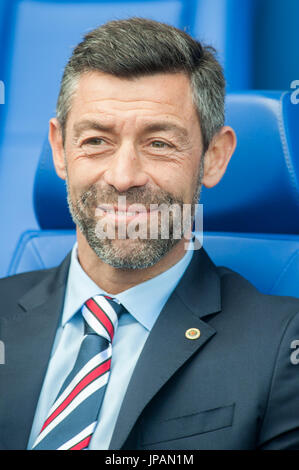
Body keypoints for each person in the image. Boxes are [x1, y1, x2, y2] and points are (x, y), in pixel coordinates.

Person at [1, 17, 299, 451]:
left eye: (159, 143)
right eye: (96, 140)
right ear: (60, 149)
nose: (123, 178)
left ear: (214, 157)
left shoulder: (283, 345)